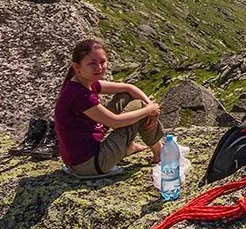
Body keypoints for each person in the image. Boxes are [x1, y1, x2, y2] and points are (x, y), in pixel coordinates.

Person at [56, 38, 165, 177]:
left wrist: (152, 110)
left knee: (125, 96)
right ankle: (160, 154)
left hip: (80, 160)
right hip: (91, 164)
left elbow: (129, 88)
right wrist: (148, 110)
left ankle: (128, 147)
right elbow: (115, 122)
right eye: (92, 63)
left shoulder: (84, 83)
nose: (99, 68)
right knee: (140, 107)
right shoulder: (80, 95)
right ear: (77, 67)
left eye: (102, 62)